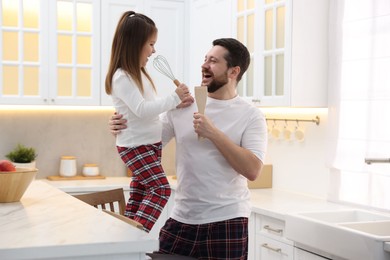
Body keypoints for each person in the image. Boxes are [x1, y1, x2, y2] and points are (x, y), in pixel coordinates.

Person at [109, 38, 267, 259]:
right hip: (181, 218)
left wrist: (213, 133)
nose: (204, 65)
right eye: (205, 59)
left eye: (213, 61)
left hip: (227, 220)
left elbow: (252, 170)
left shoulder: (251, 115)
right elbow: (148, 145)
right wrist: (123, 127)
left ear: (233, 71)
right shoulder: (182, 106)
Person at [105, 10, 193, 233]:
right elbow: (143, 110)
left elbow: (147, 113)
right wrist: (175, 97)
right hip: (137, 146)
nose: (154, 51)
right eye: (151, 44)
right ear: (135, 44)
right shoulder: (122, 77)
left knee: (139, 193)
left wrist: (175, 103)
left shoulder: (139, 74)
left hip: (148, 145)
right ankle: (137, 238)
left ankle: (127, 239)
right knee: (161, 189)